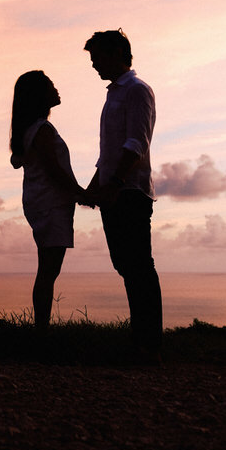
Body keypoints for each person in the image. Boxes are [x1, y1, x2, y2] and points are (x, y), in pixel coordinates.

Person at [82, 29, 162, 358]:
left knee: (139, 265)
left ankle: (149, 344)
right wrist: (95, 185)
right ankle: (140, 340)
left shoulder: (137, 91)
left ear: (117, 54)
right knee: (126, 265)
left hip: (129, 191)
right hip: (114, 190)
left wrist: (113, 185)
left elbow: (136, 143)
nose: (94, 65)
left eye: (97, 57)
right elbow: (112, 150)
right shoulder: (114, 94)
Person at [9, 70, 85, 330]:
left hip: (43, 203)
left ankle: (42, 329)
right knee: (48, 271)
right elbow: (55, 170)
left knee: (48, 269)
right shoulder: (41, 130)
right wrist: (81, 193)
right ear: (39, 96)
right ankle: (42, 330)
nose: (57, 88)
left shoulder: (32, 130)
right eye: (51, 85)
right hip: (50, 205)